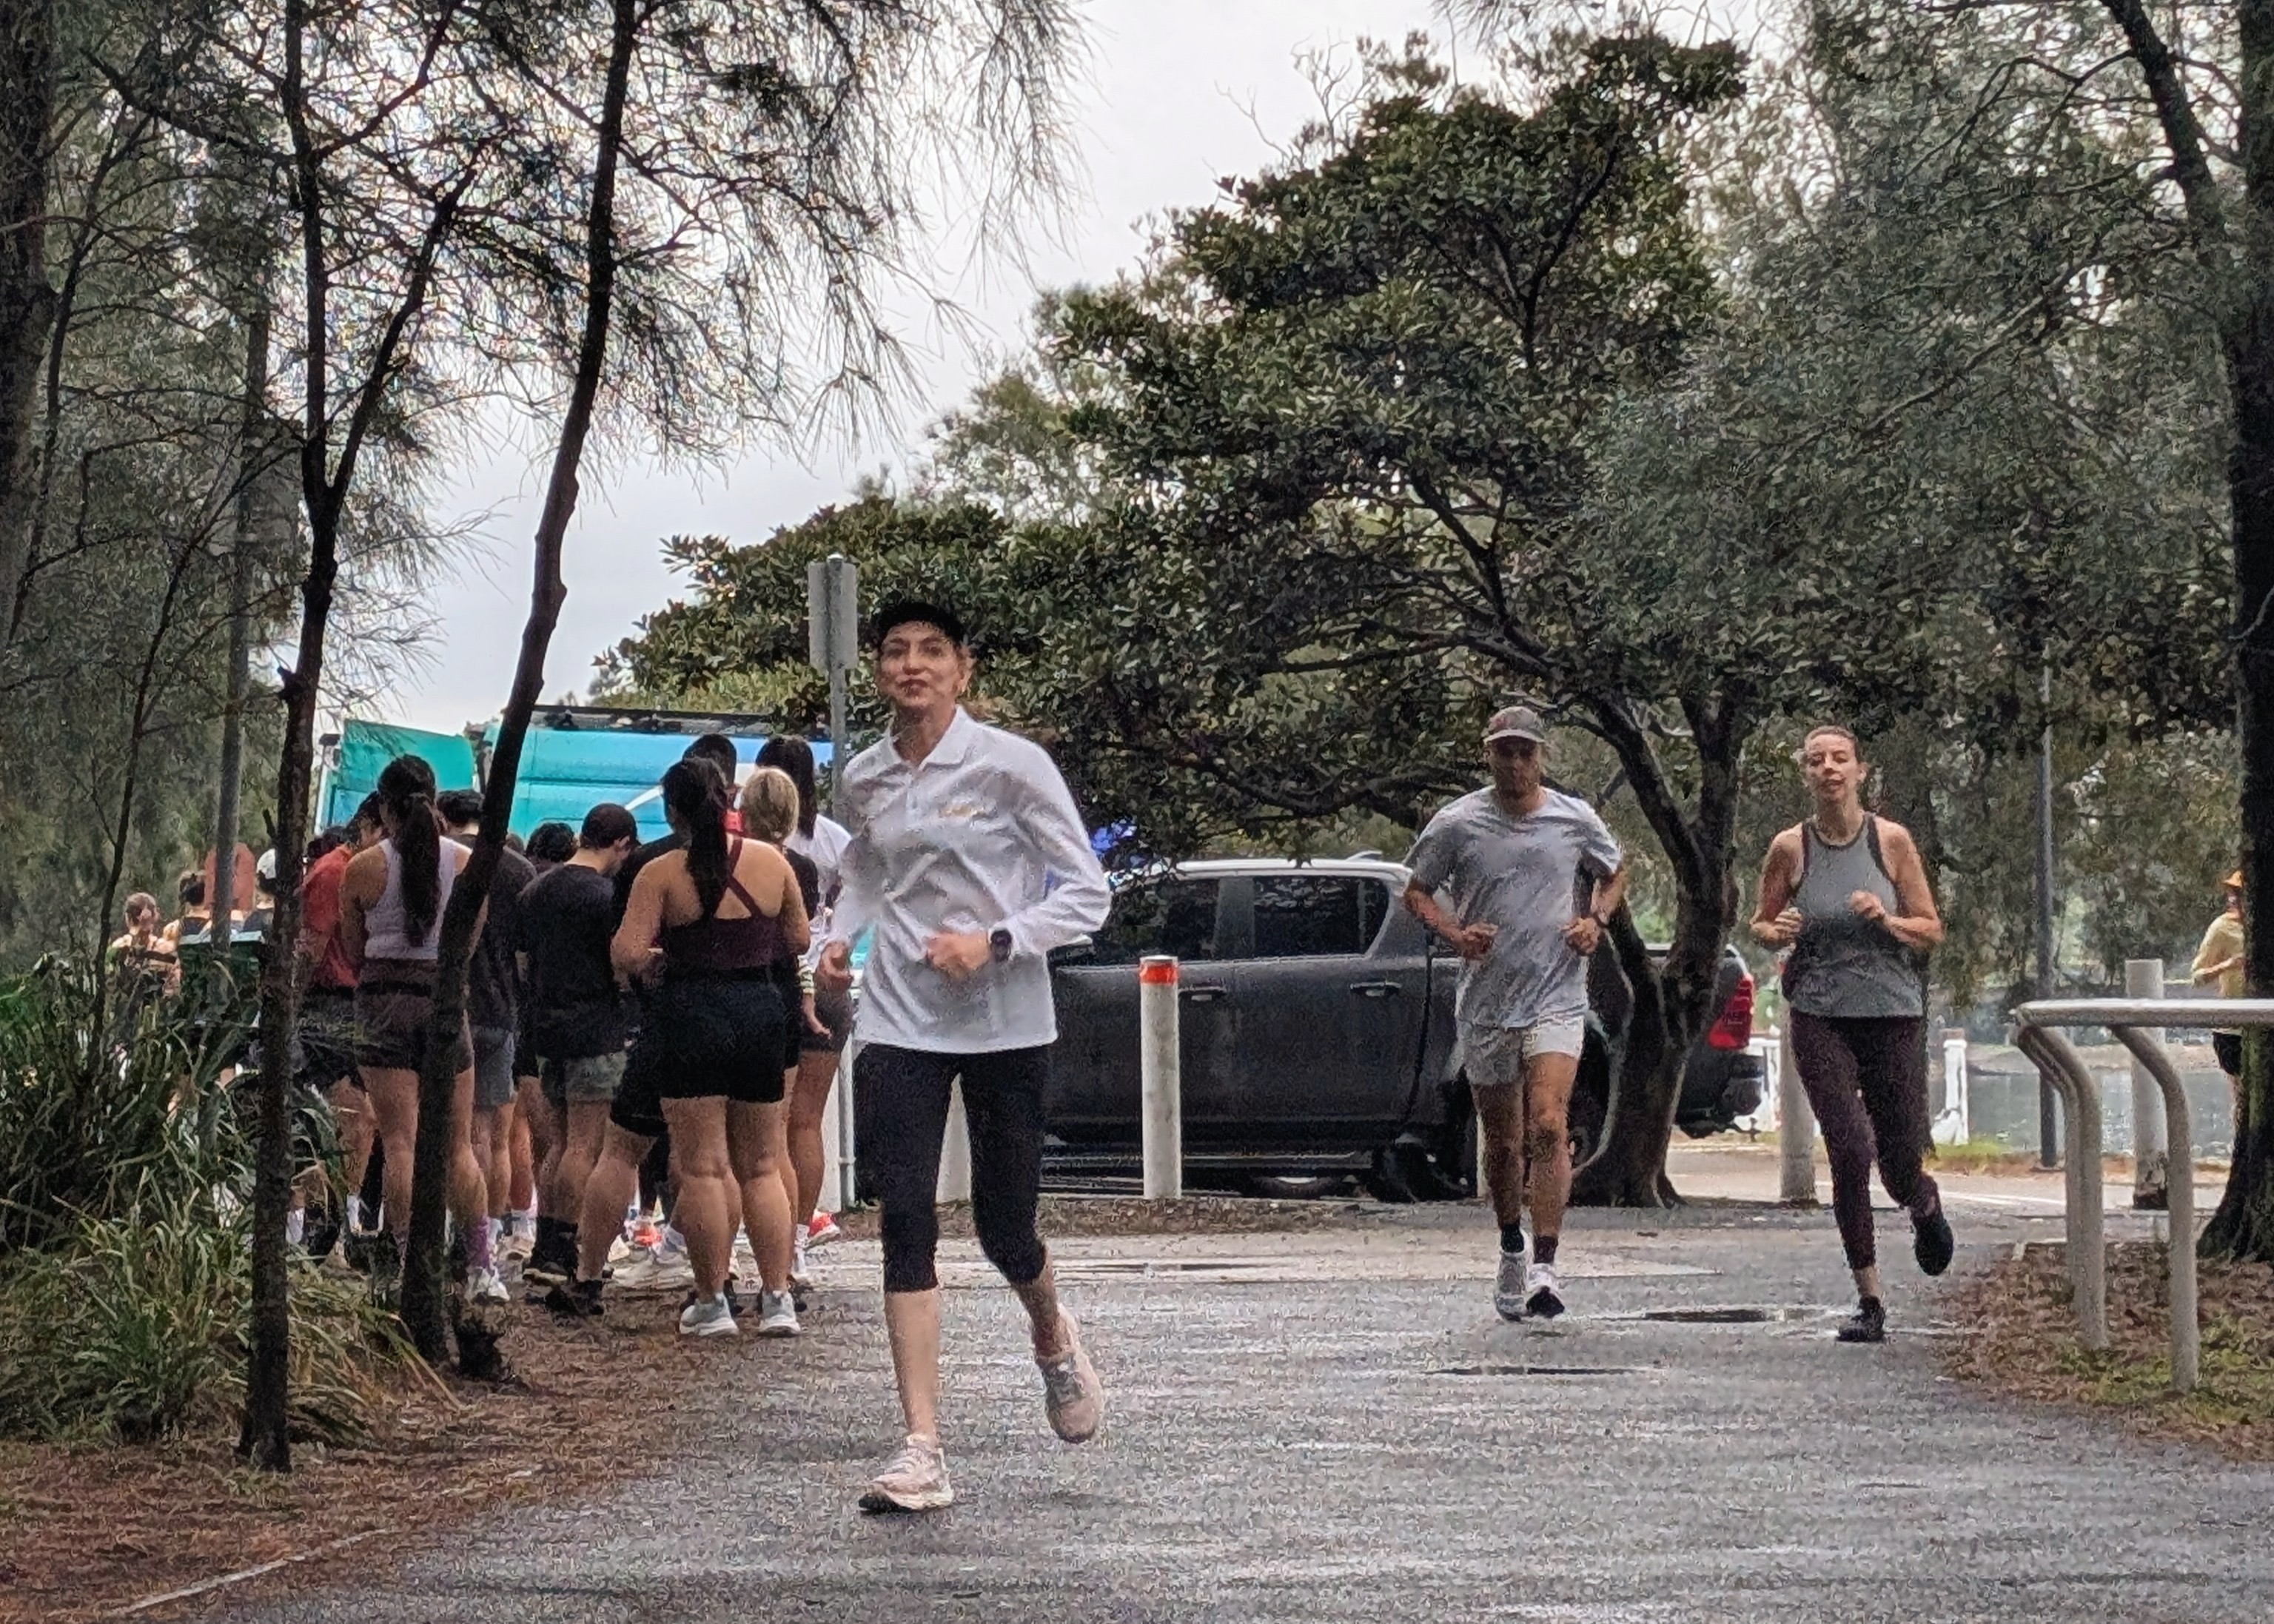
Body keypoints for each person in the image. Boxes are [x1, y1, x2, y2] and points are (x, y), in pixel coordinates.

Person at [815, 600, 1111, 1515]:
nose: (913, 665)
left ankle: (1051, 1333)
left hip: (1005, 1021)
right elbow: (868, 869)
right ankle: (922, 1446)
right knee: (903, 1215)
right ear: (878, 671)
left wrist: (997, 939)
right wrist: (837, 936)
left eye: (932, 652)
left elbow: (1089, 893)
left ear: (963, 670)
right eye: (896, 652)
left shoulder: (1012, 765)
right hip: (900, 1018)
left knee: (1004, 1226)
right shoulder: (865, 775)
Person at [1401, 705, 1629, 1325]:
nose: (1516, 762)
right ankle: (1511, 1243)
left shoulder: (1573, 817)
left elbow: (1613, 872)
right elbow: (1416, 891)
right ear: (1489, 755)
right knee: (1502, 1142)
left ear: (1542, 756)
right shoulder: (1458, 823)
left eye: (1526, 751)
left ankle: (1546, 1266)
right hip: (1488, 1002)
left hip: (1557, 994)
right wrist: (1456, 933)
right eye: (1505, 751)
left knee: (1549, 1123)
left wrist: (1595, 920)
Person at [566, 760, 806, 1338]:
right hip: (761, 1013)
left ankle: (712, 1302)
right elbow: (798, 937)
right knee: (763, 1165)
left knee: (703, 1167)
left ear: (672, 811)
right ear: (727, 800)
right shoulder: (772, 862)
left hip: (691, 1014)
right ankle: (778, 1298)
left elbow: (626, 952)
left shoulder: (662, 872)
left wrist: (662, 958)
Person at [1751, 723, 1953, 1345]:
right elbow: (1760, 923)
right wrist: (1777, 931)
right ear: (1806, 775)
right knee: (1848, 1148)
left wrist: (1887, 919)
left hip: (1891, 1013)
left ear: (1860, 772)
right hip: (1820, 1013)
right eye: (1817, 760)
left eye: (1840, 758)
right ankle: (1869, 1298)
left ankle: (1922, 1202)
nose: (1829, 769)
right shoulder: (1791, 848)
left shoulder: (1890, 841)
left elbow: (1931, 928)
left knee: (1897, 1160)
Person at [338, 755, 495, 1298]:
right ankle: (481, 1265)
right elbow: (467, 946)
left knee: (399, 1141)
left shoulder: (362, 869)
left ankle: (406, 1263)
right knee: (458, 1145)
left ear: (385, 809)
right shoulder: (468, 865)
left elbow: (354, 950)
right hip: (444, 1003)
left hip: (383, 1007)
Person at [517, 802, 639, 1287]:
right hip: (594, 1028)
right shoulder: (606, 896)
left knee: (559, 1143)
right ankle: (567, 1248)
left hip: (545, 1028)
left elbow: (523, 963)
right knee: (587, 1145)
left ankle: (545, 1244)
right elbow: (621, 964)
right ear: (621, 845)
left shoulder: (535, 891)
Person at [757, 733, 856, 1269]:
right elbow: (857, 895)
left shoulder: (750, 846)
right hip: (828, 981)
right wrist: (838, 943)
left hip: (774, 984)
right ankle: (797, 1239)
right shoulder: (832, 839)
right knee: (806, 1123)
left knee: (767, 1128)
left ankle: (768, 1242)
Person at [438, 790, 538, 1301]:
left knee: (454, 1135)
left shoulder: (444, 861)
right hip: (502, 1013)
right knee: (495, 1136)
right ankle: (490, 1238)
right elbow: (526, 954)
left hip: (451, 1010)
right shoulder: (520, 870)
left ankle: (461, 1239)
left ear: (445, 818)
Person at [738, 766, 822, 1298]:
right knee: (780, 1135)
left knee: (726, 1148)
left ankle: (720, 1260)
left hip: (738, 989)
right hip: (785, 995)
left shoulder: (735, 860)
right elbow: (801, 939)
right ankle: (789, 1253)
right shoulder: (803, 869)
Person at [301, 795, 383, 1232]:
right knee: (351, 1116)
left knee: (362, 1119)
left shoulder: (360, 871)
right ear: (367, 827)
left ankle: (341, 1211)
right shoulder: (334, 872)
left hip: (356, 1005)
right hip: (329, 1006)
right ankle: (324, 1215)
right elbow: (309, 948)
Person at [2193, 869, 2247, 1091]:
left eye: (2240, 893)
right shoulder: (2222, 928)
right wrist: (2228, 965)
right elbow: (2197, 977)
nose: (2234, 898)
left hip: (2266, 1024)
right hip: (2232, 1030)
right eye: (2233, 893)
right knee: (2242, 1096)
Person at [108, 892, 180, 995]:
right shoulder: (165, 949)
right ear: (152, 916)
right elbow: (174, 986)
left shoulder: (117, 946)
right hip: (155, 1003)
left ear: (128, 917)